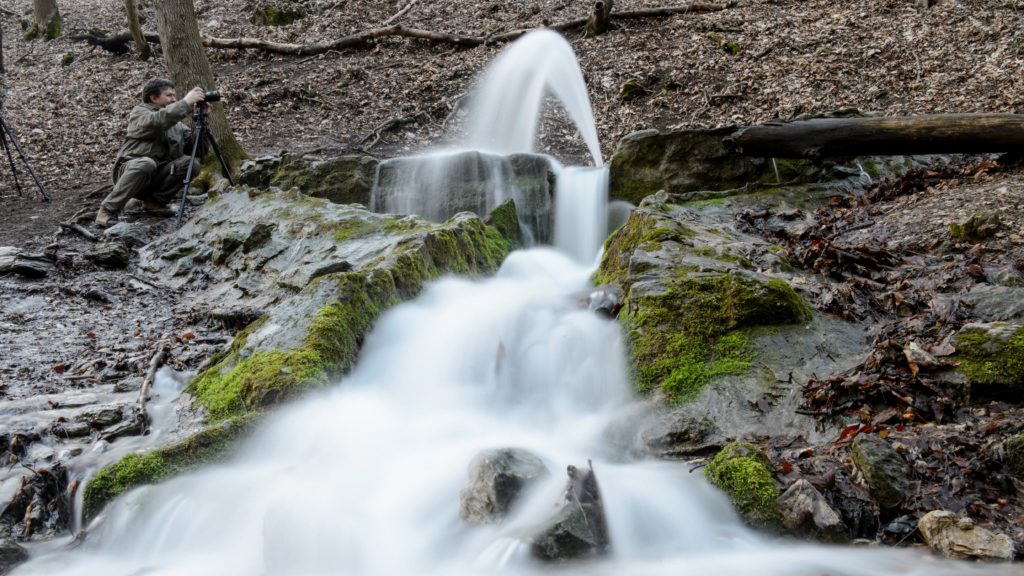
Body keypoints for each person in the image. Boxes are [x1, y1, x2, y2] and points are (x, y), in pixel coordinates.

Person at [95, 79, 206, 227]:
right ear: (153, 98)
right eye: (169, 95)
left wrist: (201, 121)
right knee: (146, 164)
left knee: (192, 163)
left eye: (174, 95)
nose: (174, 99)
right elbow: (157, 122)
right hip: (130, 172)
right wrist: (185, 103)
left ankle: (154, 203)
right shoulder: (139, 113)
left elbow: (197, 150)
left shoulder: (177, 124)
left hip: (157, 176)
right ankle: (106, 211)